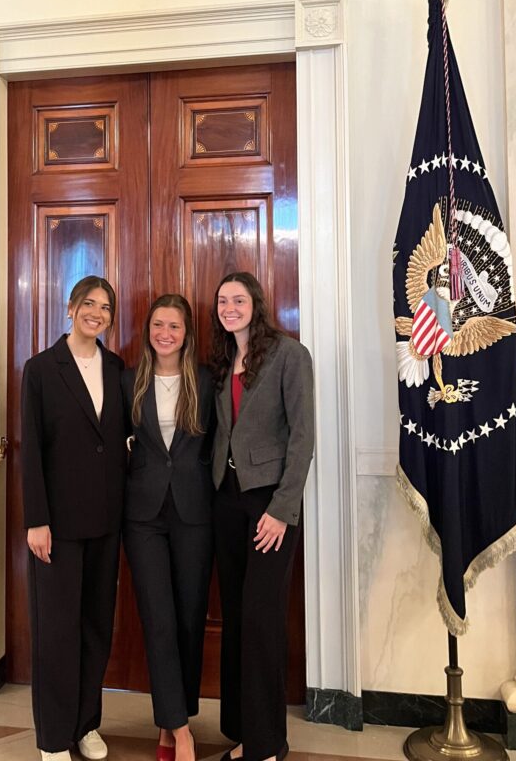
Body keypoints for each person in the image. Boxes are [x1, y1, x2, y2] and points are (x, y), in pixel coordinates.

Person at [209, 272, 314, 761]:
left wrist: (281, 510)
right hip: (226, 502)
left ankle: (268, 744)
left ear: (256, 303)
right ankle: (245, 732)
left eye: (238, 299)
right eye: (222, 301)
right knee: (236, 618)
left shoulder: (290, 356)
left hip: (269, 505)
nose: (230, 307)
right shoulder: (222, 359)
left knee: (262, 620)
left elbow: (302, 439)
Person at [21, 276, 125, 761]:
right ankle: (54, 737)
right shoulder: (41, 370)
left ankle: (86, 724)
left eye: (105, 307)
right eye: (89, 304)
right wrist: (36, 520)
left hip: (106, 522)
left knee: (95, 628)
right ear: (70, 307)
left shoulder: (118, 368)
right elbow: (33, 454)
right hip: (57, 527)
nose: (97, 313)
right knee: (56, 632)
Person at [122, 295, 216, 761]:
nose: (165, 333)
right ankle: (181, 732)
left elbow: (221, 446)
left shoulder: (205, 381)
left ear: (186, 333)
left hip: (195, 514)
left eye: (174, 326)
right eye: (158, 325)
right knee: (158, 621)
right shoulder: (128, 381)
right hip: (142, 518)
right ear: (148, 330)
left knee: (187, 620)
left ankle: (169, 720)